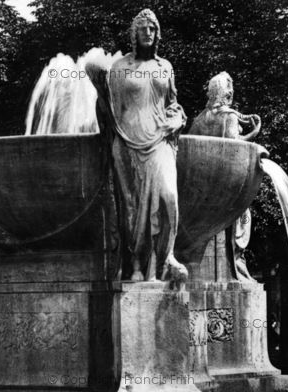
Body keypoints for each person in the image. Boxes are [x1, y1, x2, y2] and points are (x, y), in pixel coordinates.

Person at [107, 9, 188, 282]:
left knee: (168, 197)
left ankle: (165, 256)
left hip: (160, 140)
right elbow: (111, 109)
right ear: (134, 34)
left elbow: (173, 104)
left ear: (157, 33)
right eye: (142, 28)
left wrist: (176, 120)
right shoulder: (120, 68)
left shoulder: (165, 67)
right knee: (133, 209)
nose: (148, 33)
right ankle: (140, 265)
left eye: (152, 29)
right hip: (129, 141)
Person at [188, 72, 261, 281]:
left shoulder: (200, 119)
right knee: (244, 216)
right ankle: (237, 264)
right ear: (226, 93)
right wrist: (253, 134)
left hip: (202, 189)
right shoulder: (228, 116)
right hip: (225, 187)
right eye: (230, 90)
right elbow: (233, 149)